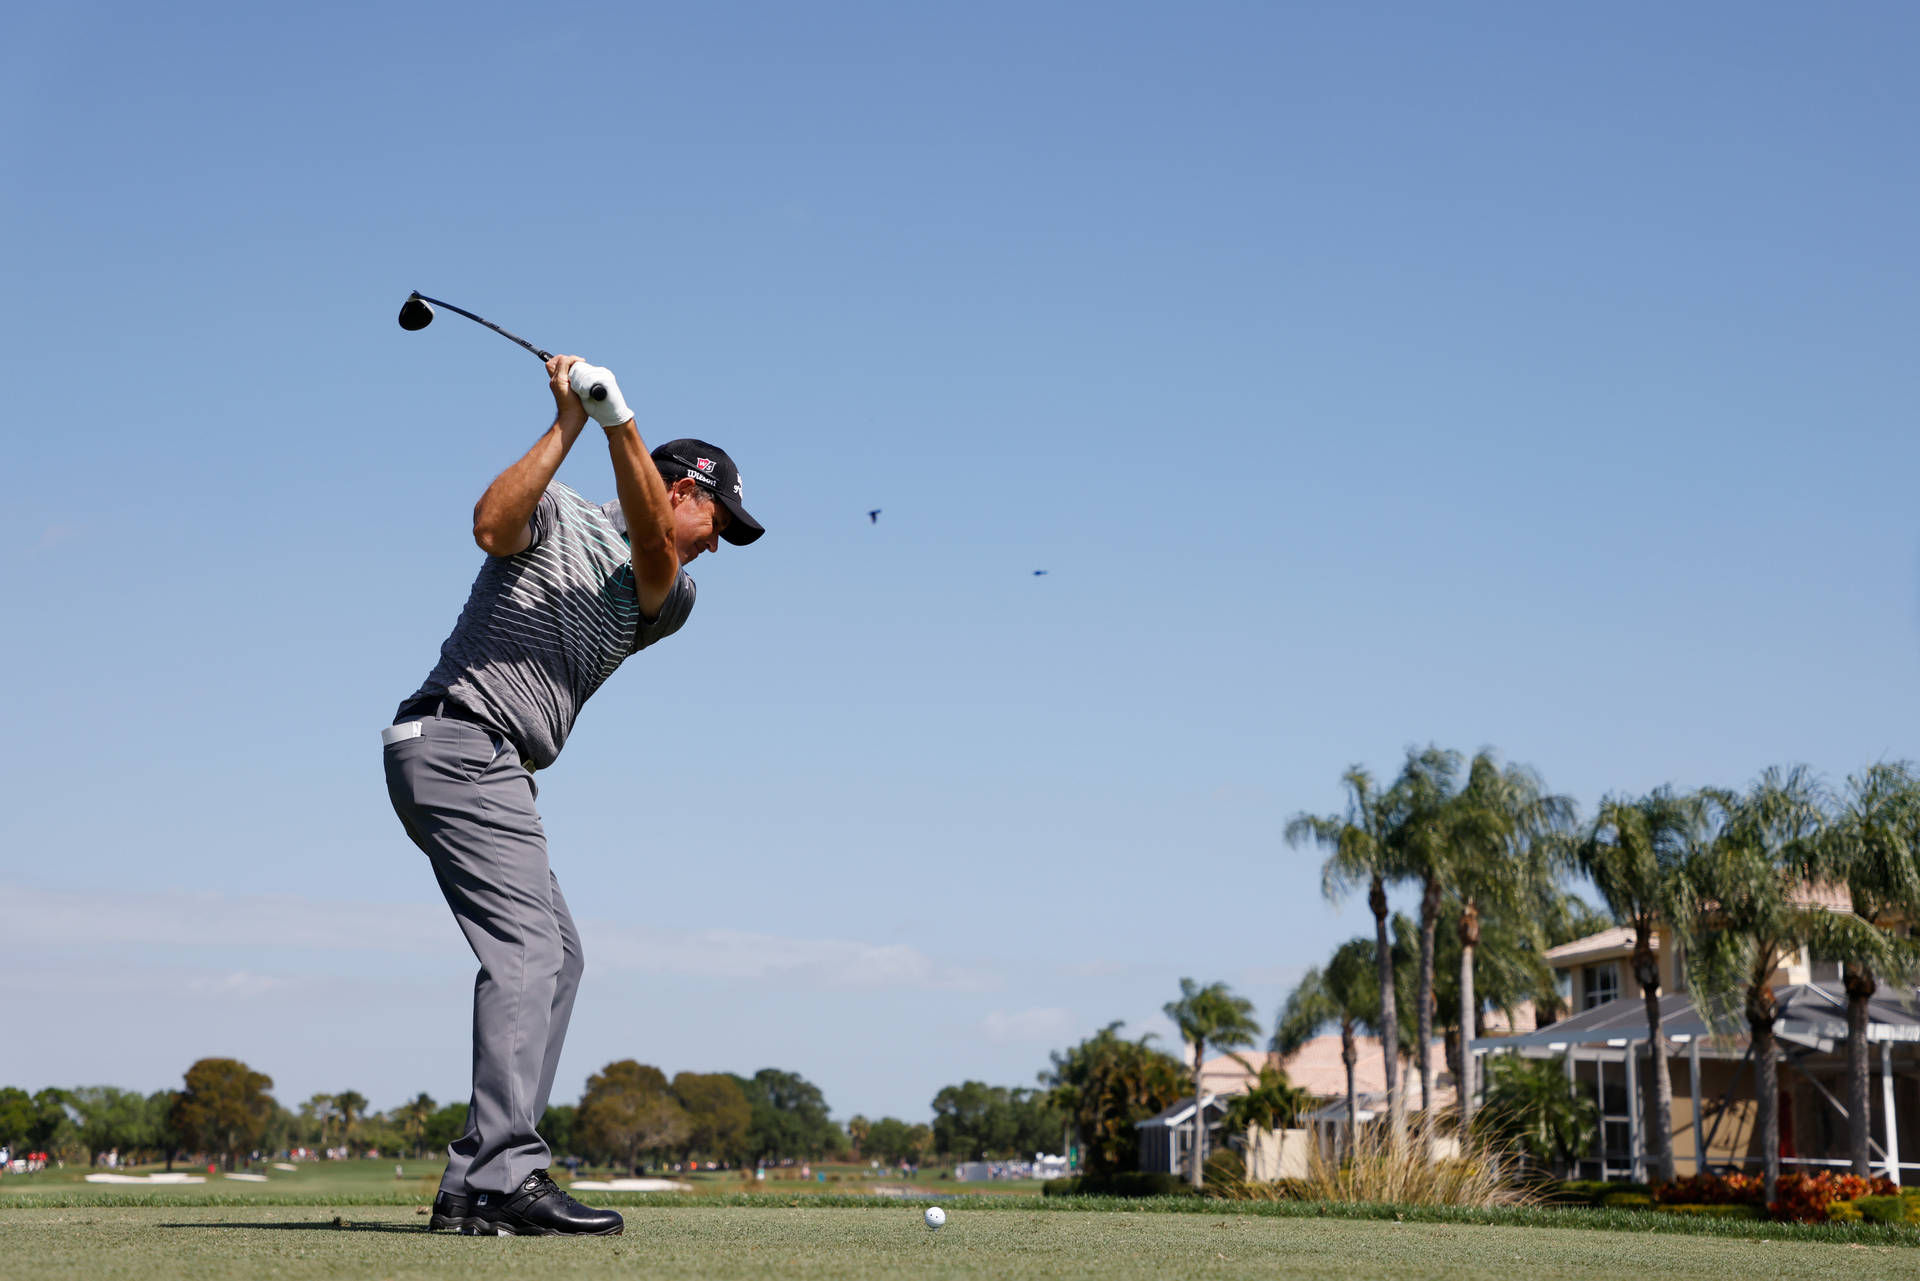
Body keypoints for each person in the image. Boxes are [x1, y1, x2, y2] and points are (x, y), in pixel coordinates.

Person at [383, 354, 763, 1237]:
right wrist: (571, 424)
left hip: (486, 759)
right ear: (680, 490)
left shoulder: (670, 595)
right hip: (458, 738)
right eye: (719, 518)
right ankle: (504, 1178)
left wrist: (618, 418)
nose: (718, 541)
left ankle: (470, 1178)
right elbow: (489, 524)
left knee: (558, 952)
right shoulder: (553, 514)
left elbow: (657, 553)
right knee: (526, 950)